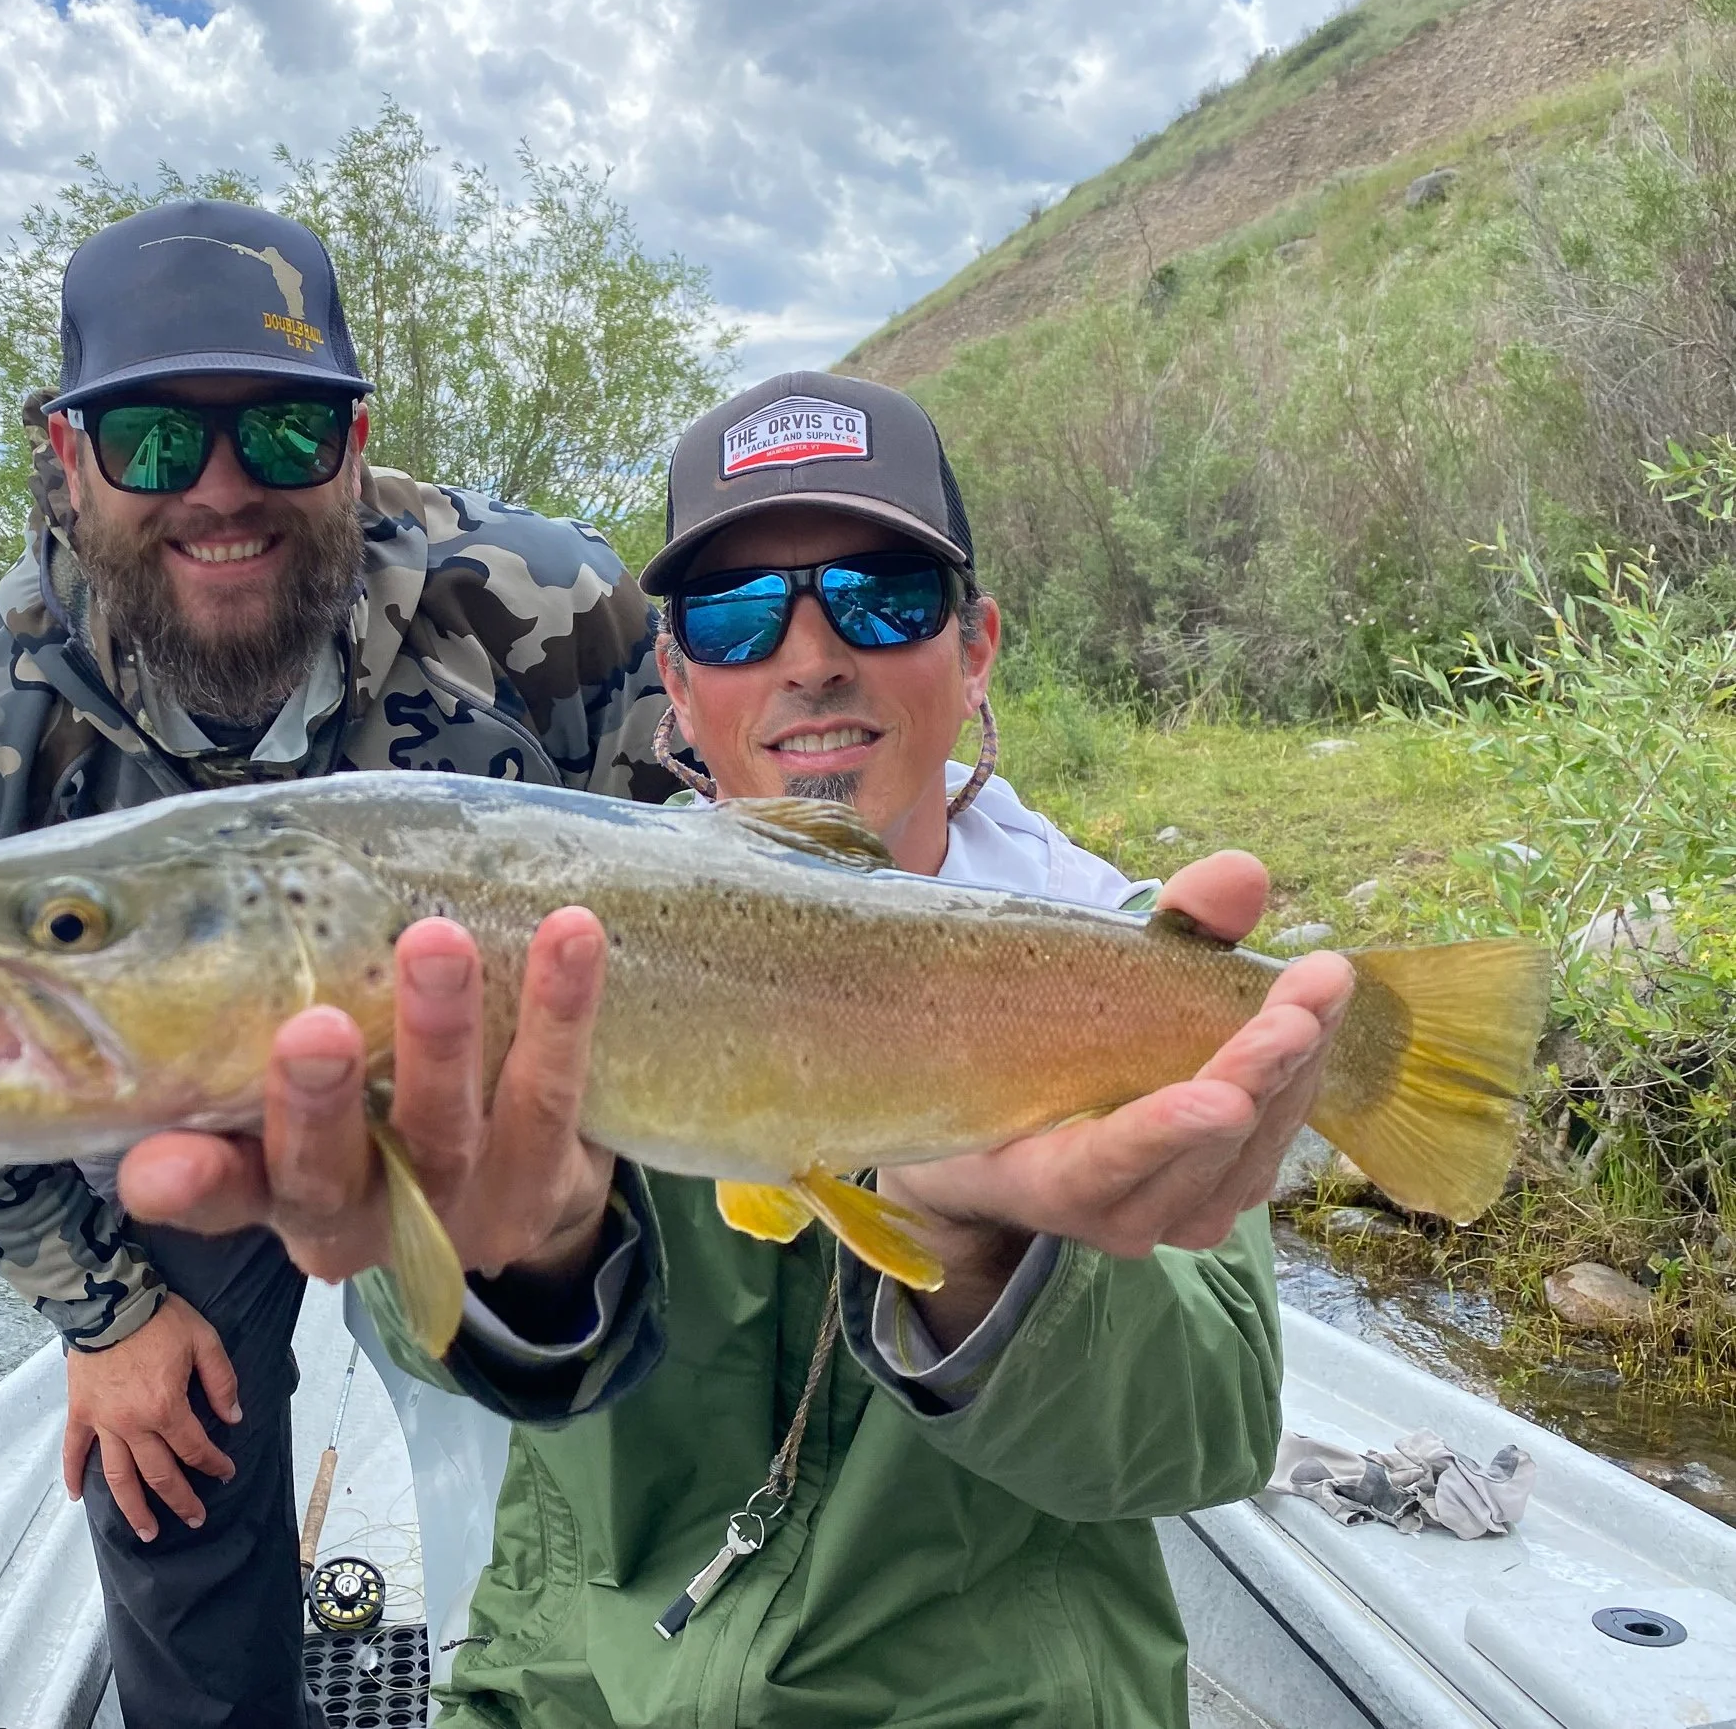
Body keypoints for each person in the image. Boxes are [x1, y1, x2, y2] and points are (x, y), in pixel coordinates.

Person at [113, 371, 1356, 1726]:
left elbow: (1214, 1428)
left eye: (882, 596)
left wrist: (983, 1251)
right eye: (741, 614)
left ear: (978, 645)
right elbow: (432, 1349)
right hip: (573, 1689)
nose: (812, 655)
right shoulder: (563, 927)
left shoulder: (1107, 960)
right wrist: (532, 1258)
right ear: (678, 682)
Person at [0, 199, 678, 1728]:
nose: (221, 491)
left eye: (282, 432)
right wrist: (103, 1316)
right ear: (63, 453)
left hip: (492, 1104)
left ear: (355, 439)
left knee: (602, 1389)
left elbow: (704, 883)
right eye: (153, 440)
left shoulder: (546, 615)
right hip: (168, 1162)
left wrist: (573, 1217)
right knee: (167, 1465)